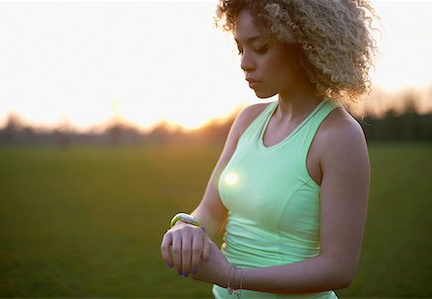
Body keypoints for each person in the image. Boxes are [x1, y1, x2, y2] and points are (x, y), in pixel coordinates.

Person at [161, 0, 377, 298]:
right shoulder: (248, 119)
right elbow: (211, 208)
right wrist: (187, 226)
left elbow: (338, 268)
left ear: (303, 45)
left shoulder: (339, 136)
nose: (244, 63)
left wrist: (232, 276)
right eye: (240, 48)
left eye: (260, 47)